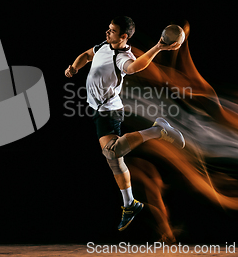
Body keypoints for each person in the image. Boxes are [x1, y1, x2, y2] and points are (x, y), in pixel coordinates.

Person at [65, 16, 186, 231]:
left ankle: (157, 130)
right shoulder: (103, 45)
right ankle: (130, 204)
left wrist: (158, 47)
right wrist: (75, 67)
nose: (107, 32)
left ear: (124, 36)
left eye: (112, 30)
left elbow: (133, 67)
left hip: (110, 113)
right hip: (98, 111)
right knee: (114, 159)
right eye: (108, 28)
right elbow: (86, 55)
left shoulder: (122, 56)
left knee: (112, 154)